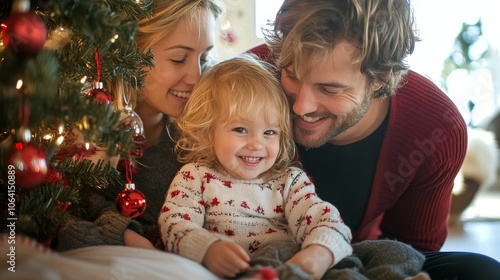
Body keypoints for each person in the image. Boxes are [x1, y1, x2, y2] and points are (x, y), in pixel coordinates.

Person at [247, 0, 500, 279]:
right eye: (291, 75)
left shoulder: (436, 127)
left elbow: (412, 249)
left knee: (481, 271)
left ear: (379, 77)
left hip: (359, 256)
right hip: (255, 255)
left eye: (329, 89)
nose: (301, 107)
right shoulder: (245, 77)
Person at [158, 54, 431, 280]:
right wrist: (207, 248)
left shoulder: (289, 180)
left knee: (394, 251)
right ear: (208, 132)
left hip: (305, 263)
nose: (256, 145)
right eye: (241, 129)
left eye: (269, 133)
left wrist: (318, 252)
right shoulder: (196, 176)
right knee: (293, 256)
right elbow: (174, 223)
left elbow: (325, 221)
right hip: (256, 268)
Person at [56, 0, 224, 251]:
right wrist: (120, 234)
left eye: (204, 57)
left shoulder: (203, 140)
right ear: (128, 54)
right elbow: (54, 216)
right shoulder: (70, 134)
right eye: (179, 59)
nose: (196, 78)